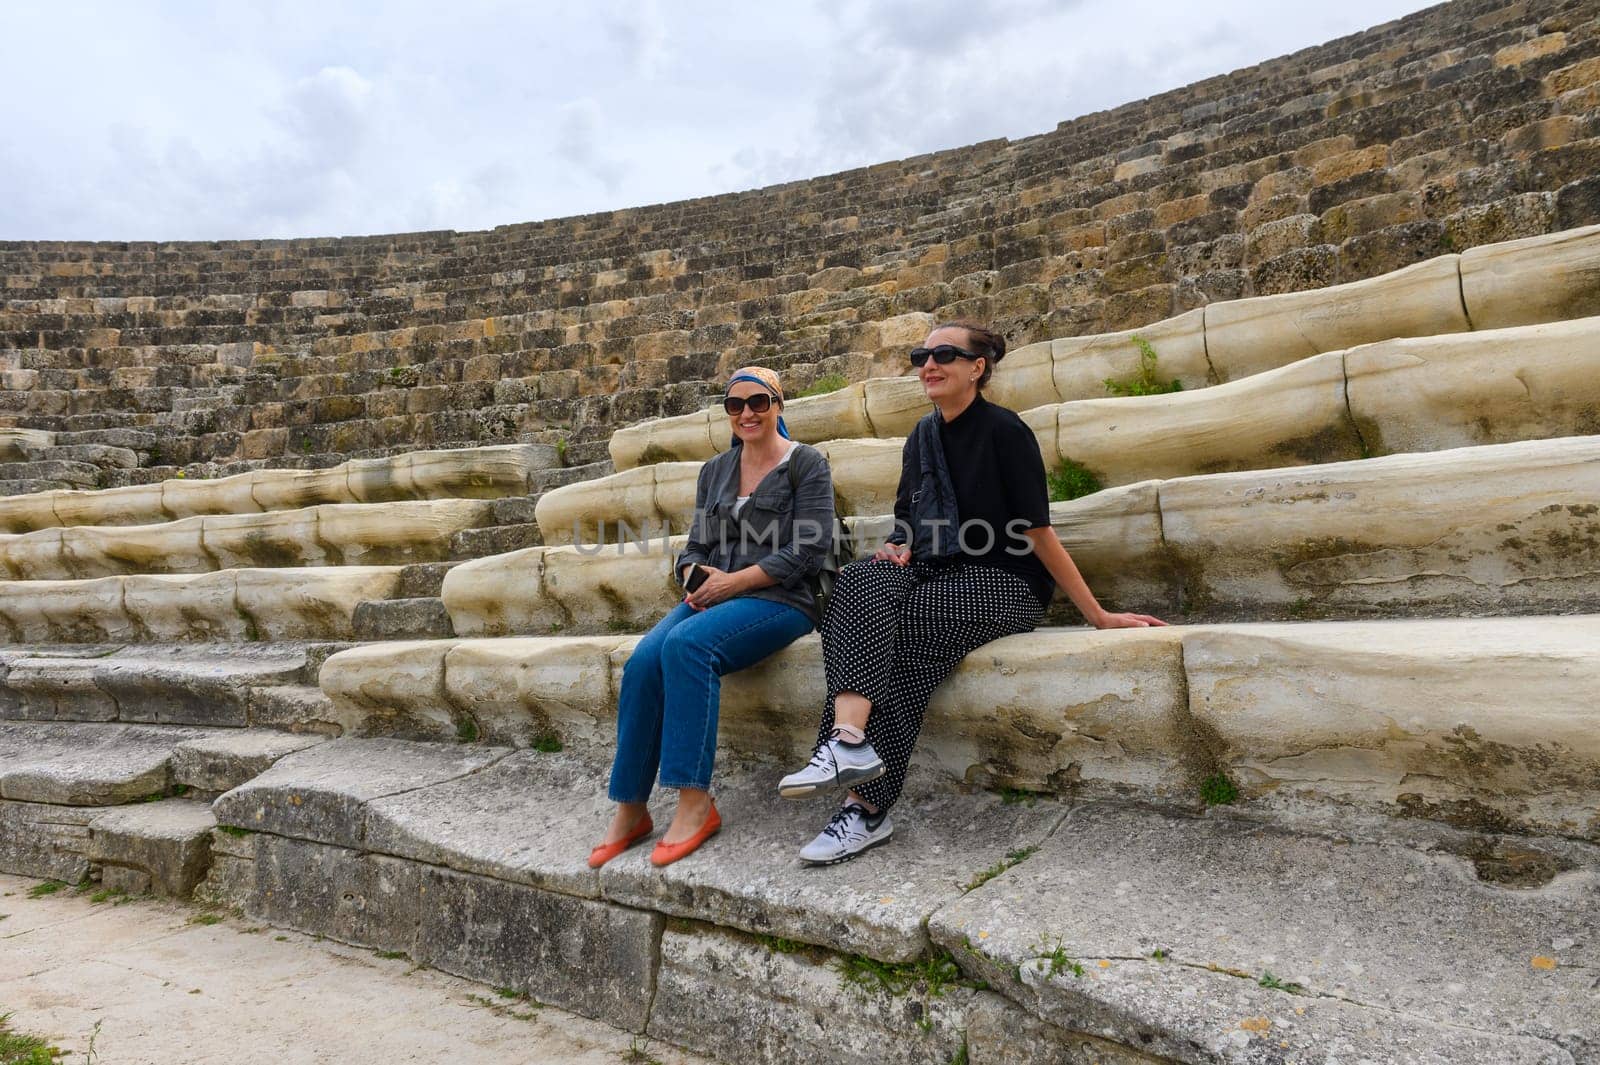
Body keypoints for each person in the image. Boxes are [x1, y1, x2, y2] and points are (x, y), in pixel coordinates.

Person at [777, 321, 1166, 864]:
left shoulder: (1006, 432)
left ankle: (864, 807)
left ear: (977, 368)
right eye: (921, 355)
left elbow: (1037, 532)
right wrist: (897, 545)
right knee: (859, 580)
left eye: (944, 355)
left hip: (1006, 581)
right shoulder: (922, 437)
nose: (928, 365)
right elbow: (906, 519)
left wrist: (1097, 615)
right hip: (935, 569)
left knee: (905, 635)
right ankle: (847, 742)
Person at [590, 365, 835, 868]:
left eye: (759, 402)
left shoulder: (806, 464)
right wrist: (691, 574)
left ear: (778, 406)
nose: (747, 413)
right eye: (735, 405)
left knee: (687, 646)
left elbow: (809, 551)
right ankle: (632, 808)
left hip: (782, 600)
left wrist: (733, 582)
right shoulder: (715, 471)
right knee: (642, 662)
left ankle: (694, 803)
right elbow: (695, 545)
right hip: (715, 595)